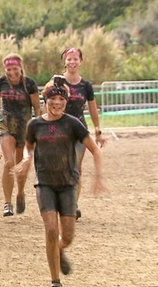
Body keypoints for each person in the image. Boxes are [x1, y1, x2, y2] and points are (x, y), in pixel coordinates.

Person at [15, 80, 105, 287]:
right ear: (45, 101)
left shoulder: (72, 123)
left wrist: (98, 176)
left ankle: (60, 249)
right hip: (45, 183)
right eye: (53, 99)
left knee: (68, 236)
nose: (57, 103)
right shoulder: (35, 125)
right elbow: (29, 148)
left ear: (66, 102)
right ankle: (55, 280)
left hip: (68, 184)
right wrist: (26, 160)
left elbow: (95, 150)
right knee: (50, 230)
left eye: (61, 99)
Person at [45, 47, 106, 220]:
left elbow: (92, 107)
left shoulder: (85, 85)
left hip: (78, 130)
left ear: (80, 61)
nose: (72, 62)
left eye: (75, 59)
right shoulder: (56, 81)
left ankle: (72, 204)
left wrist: (97, 129)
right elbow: (46, 101)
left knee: (75, 169)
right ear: (64, 61)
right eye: (69, 59)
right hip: (57, 129)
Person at [0, 53, 40, 216]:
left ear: (20, 67)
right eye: (9, 69)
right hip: (6, 125)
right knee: (9, 163)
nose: (12, 72)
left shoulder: (29, 83)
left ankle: (20, 192)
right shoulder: (1, 81)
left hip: (25, 127)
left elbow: (36, 106)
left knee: (20, 165)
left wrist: (38, 123)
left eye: (15, 69)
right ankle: (7, 203)